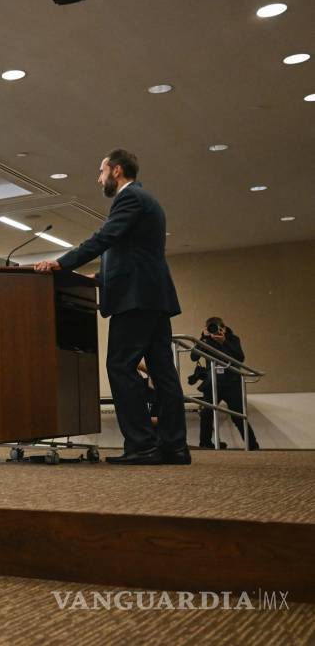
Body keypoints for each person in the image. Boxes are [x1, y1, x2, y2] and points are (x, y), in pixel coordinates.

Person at [35, 148, 187, 465]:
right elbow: (135, 254)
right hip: (152, 296)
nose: (99, 178)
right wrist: (101, 276)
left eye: (101, 171)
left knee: (120, 366)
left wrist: (61, 264)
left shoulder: (130, 198)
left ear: (116, 171)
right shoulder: (148, 201)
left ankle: (142, 446)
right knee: (163, 372)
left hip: (136, 299)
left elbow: (104, 237)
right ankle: (174, 447)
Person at [191, 317, 260, 450]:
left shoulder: (232, 339)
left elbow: (240, 358)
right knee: (206, 413)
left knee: (238, 415)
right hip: (212, 382)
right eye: (210, 327)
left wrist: (224, 342)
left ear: (224, 327)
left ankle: (252, 445)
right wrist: (202, 338)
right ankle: (205, 443)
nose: (215, 330)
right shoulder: (206, 340)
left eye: (217, 327)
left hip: (232, 382)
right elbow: (194, 357)